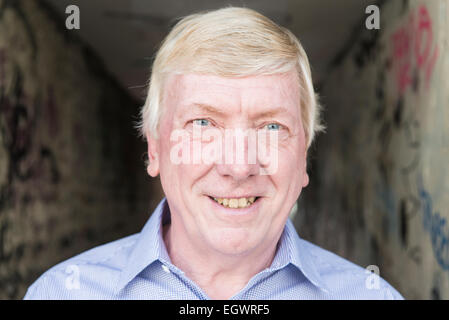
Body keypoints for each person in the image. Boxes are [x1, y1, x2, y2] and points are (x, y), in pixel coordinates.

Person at [24, 7, 403, 300]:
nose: (238, 166)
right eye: (203, 124)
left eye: (272, 127)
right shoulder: (63, 292)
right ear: (155, 149)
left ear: (303, 156)